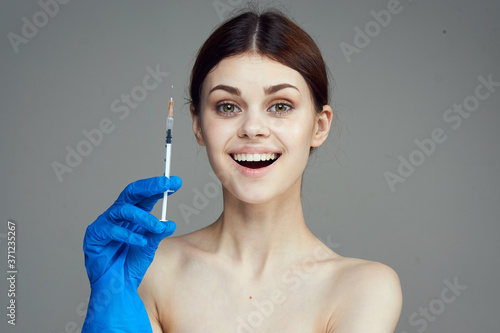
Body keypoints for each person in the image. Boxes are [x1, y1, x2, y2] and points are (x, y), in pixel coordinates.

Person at [82, 8, 402, 333]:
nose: (252, 128)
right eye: (228, 107)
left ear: (319, 126)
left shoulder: (362, 288)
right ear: (197, 124)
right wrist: (107, 313)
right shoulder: (149, 270)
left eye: (280, 106)